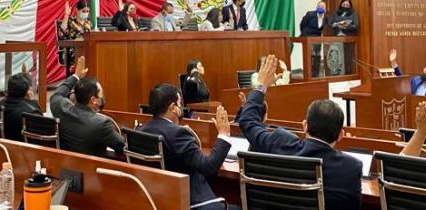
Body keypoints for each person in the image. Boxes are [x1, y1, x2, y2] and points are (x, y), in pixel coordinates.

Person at [239, 56, 362, 209]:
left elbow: (247, 122)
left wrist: (261, 86)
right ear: (340, 135)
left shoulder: (279, 142)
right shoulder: (351, 167)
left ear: (305, 126)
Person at [143, 84, 232, 210]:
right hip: (190, 203)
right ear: (173, 108)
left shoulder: (142, 130)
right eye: (180, 104)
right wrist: (223, 135)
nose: (181, 108)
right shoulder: (177, 134)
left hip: (159, 200)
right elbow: (208, 168)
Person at [50, 56, 124, 157]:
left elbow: (57, 94)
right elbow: (124, 147)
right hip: (92, 167)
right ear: (93, 100)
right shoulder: (102, 124)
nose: (103, 96)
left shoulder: (60, 108)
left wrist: (76, 76)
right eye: (101, 94)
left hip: (65, 164)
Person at [0, 72, 42, 140]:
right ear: (28, 91)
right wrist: (31, 102)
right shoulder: (32, 112)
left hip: (4, 144)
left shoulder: (1, 104)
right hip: (24, 145)